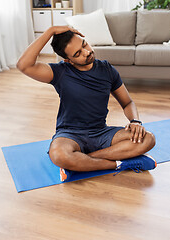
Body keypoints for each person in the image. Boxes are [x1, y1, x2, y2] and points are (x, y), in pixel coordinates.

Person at [17, 26, 156, 182]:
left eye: (84, 44)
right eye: (78, 53)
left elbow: (127, 102)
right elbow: (24, 65)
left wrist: (135, 121)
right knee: (58, 154)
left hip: (101, 133)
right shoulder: (60, 72)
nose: (87, 52)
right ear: (68, 60)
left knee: (148, 139)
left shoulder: (107, 70)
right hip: (70, 134)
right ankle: (117, 163)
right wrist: (50, 31)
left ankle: (79, 163)